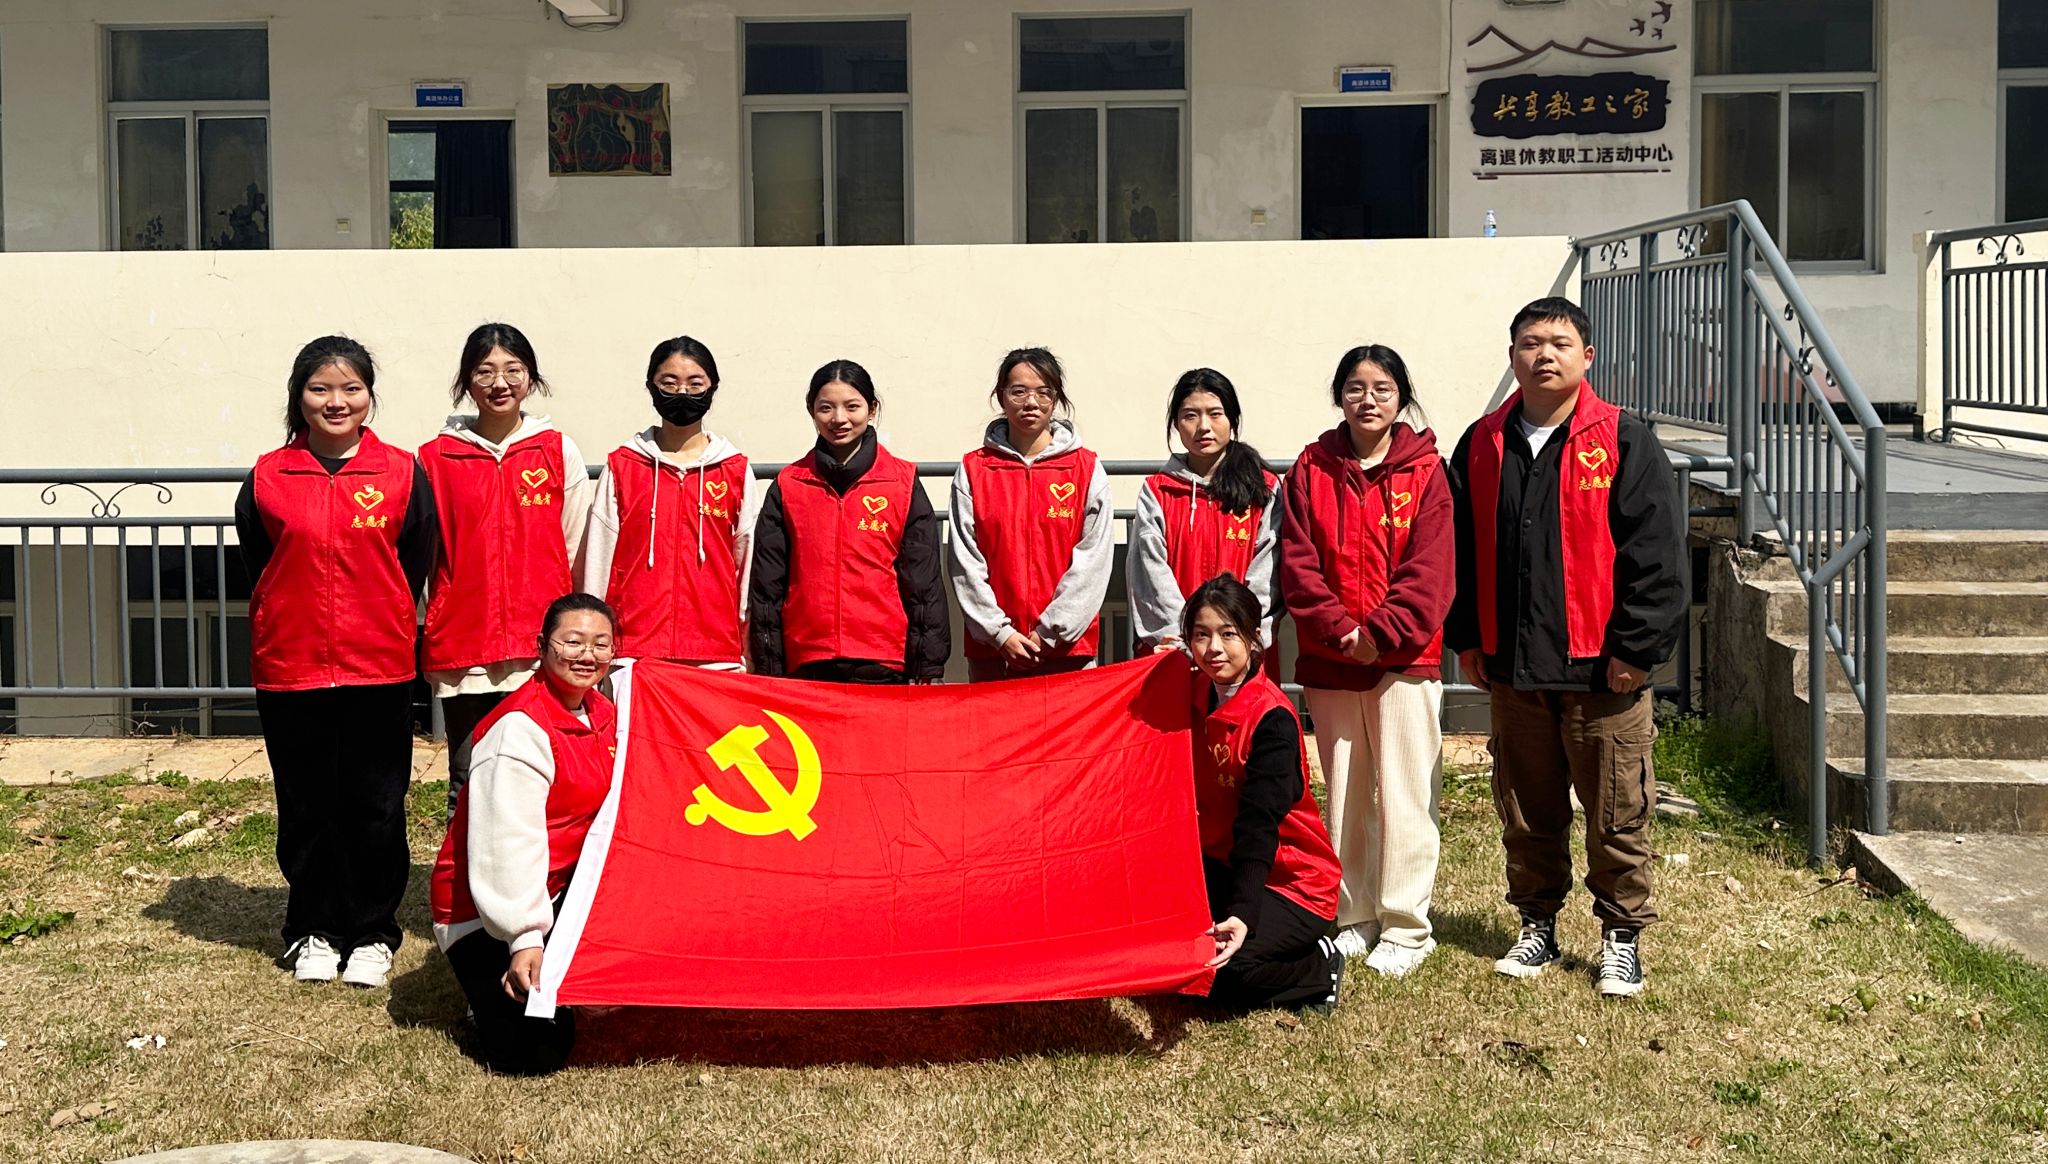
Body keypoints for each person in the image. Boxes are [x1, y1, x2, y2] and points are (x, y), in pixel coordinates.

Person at [1445, 296, 1685, 998]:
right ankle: (1537, 926)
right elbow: (1459, 549)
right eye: (1529, 343)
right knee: (1527, 811)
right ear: (1512, 356)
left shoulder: (1624, 438)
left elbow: (1657, 553)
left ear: (1587, 356)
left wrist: (1636, 649)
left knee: (1616, 813)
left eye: (1558, 342)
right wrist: (1467, 638)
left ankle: (1621, 938)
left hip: (1602, 671)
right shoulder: (1482, 442)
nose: (1543, 355)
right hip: (1514, 669)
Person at [235, 335, 437, 990]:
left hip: (378, 664)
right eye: (320, 388)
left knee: (376, 804)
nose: (336, 401)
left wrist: (380, 612)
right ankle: (313, 929)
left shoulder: (401, 473)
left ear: (369, 396)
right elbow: (259, 562)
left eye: (351, 388)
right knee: (306, 805)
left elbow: (414, 561)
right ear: (299, 397)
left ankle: (373, 931)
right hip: (291, 664)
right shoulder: (268, 477)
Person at [1279, 345, 1453, 979]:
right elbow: (1297, 562)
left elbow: (1432, 569)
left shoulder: (1427, 472)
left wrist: (1380, 634)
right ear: (1339, 397)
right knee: (1346, 795)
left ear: (1401, 398)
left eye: (1382, 388)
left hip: (1405, 659)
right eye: (1355, 387)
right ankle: (1355, 915)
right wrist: (1339, 631)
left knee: (1407, 793)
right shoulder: (1311, 468)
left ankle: (1407, 926)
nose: (1368, 399)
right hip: (1332, 661)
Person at [431, 593, 619, 1076]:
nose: (587, 655)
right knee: (534, 1054)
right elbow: (506, 847)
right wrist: (524, 938)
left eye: (601, 644)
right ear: (541, 646)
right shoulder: (518, 729)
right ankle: (485, 987)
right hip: (488, 907)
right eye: (572, 642)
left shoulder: (605, 714)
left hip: (563, 888)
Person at [419, 322, 594, 817]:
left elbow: (576, 545)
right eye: (485, 372)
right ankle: (463, 871)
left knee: (542, 779)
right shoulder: (435, 458)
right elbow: (425, 554)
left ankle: (545, 870)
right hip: (465, 646)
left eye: (513, 370)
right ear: (467, 381)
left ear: (530, 377)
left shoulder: (557, 450)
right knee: (467, 779)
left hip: (540, 647)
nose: (500, 383)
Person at [1185, 575, 1344, 1014]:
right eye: (1201, 635)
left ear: (1255, 640)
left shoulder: (1272, 719)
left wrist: (1242, 913)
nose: (1213, 648)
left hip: (1290, 881)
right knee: (1176, 961)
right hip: (1221, 863)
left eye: (1228, 634)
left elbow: (1258, 825)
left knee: (1223, 976)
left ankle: (1318, 966)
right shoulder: (1190, 692)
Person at [748, 359, 950, 683]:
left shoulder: (902, 482)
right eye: (826, 408)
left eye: (852, 406)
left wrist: (928, 666)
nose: (839, 419)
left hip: (883, 662)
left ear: (871, 409)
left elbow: (924, 584)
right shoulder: (788, 484)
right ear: (811, 410)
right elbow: (767, 588)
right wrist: (769, 667)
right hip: (806, 661)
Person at [578, 336, 761, 668]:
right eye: (670, 383)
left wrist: (746, 652)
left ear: (712, 388)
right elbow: (598, 561)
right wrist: (595, 643)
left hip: (715, 654)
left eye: (695, 384)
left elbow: (746, 566)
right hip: (633, 652)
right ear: (651, 387)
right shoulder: (623, 466)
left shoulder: (734, 470)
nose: (682, 393)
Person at [949, 347, 1112, 681]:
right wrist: (999, 633)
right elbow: (965, 562)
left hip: (1067, 652)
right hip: (993, 653)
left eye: (1043, 392)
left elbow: (1093, 562)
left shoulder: (1085, 468)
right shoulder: (973, 470)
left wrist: (1051, 632)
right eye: (1019, 391)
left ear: (1056, 398)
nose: (1031, 402)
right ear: (1001, 396)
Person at [1127, 368, 1281, 658]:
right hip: (1174, 650)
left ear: (1232, 419)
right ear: (1176, 423)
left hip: (1244, 652)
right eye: (1190, 416)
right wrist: (1189, 639)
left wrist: (1239, 636)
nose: (1203, 427)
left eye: (1215, 414)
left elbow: (1268, 576)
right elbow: (1150, 574)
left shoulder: (1264, 489)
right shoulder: (1158, 491)